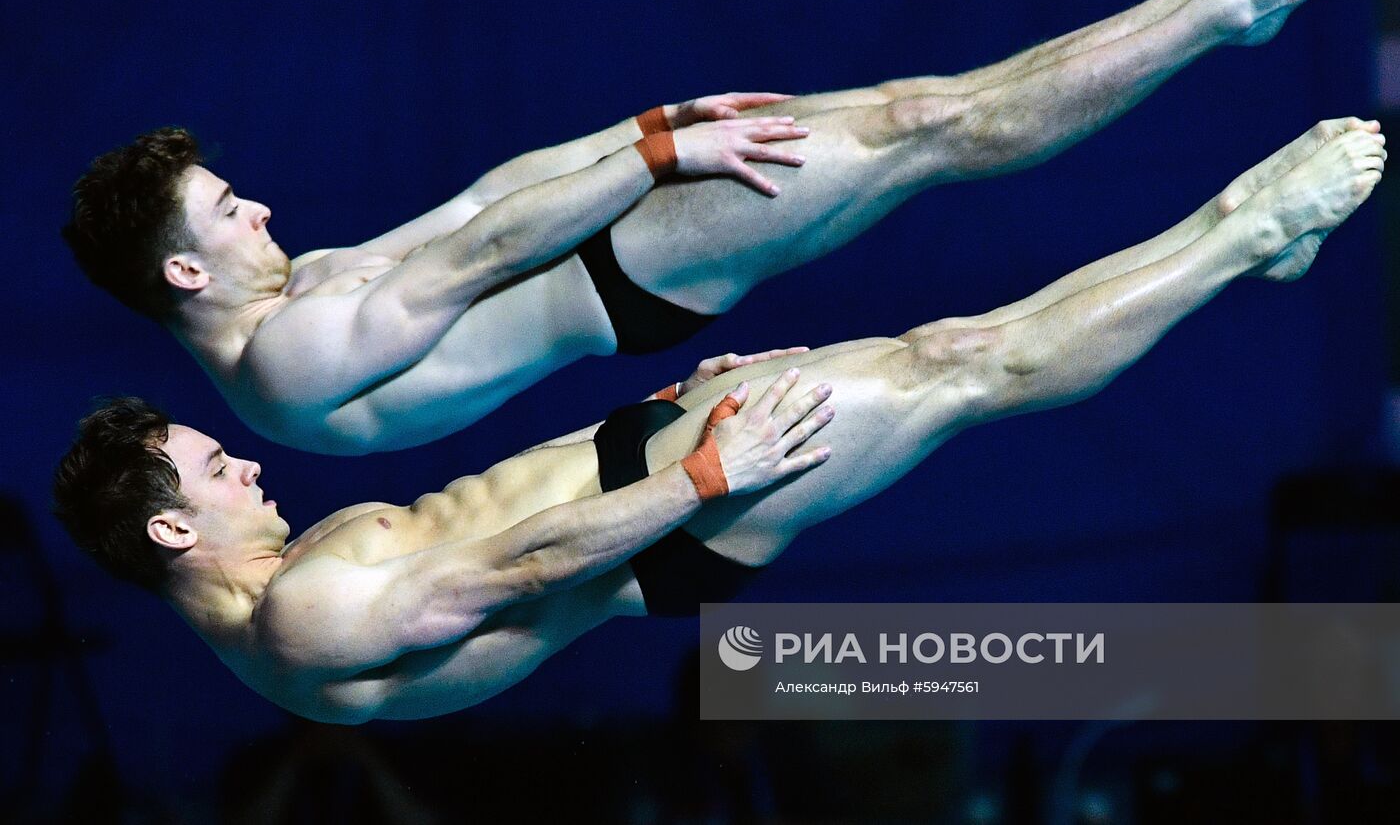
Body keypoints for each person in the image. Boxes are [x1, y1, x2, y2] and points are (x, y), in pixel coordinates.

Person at [52, 117, 1385, 721]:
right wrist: (703, 466)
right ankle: (1246, 234)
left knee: (950, 356)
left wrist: (653, 423)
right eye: (212, 467)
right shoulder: (299, 616)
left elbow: (501, 513)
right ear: (174, 524)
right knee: (966, 365)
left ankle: (1240, 247)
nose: (240, 457)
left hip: (649, 476)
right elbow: (519, 563)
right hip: (674, 512)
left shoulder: (278, 608)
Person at [61, 0, 1358, 457]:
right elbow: (470, 262)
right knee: (938, 132)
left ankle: (1209, 47)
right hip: (635, 270)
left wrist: (646, 129)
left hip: (613, 220)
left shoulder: (291, 297)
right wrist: (651, 160)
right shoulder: (281, 365)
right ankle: (1211, 12)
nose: (263, 212)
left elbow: (469, 208)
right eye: (229, 215)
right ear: (183, 273)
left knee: (923, 113)